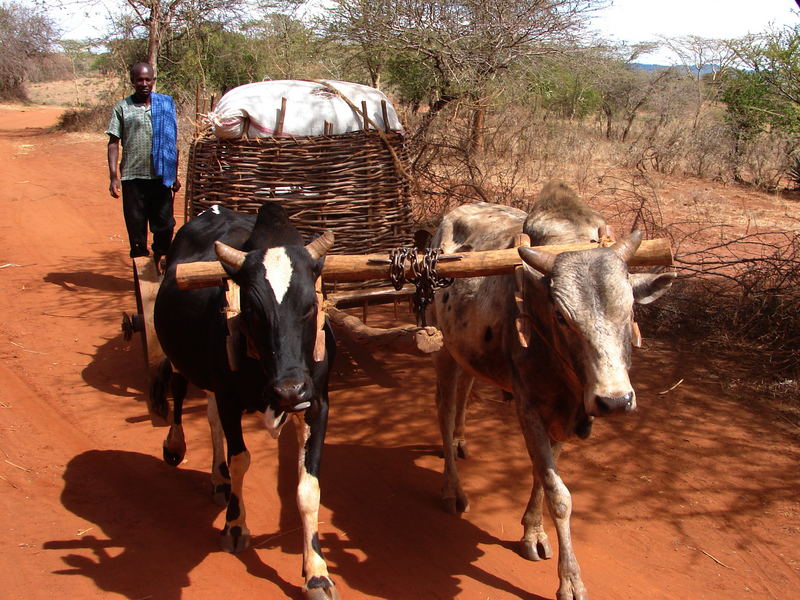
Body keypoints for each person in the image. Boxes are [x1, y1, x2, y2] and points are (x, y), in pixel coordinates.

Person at [107, 62, 180, 269]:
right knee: (137, 228)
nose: (144, 83)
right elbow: (113, 143)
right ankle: (141, 275)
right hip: (133, 177)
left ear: (153, 80)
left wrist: (173, 174)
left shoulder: (165, 104)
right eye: (140, 79)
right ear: (132, 81)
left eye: (148, 79)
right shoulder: (122, 107)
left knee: (165, 226)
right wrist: (113, 176)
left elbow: (170, 140)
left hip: (160, 177)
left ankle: (160, 262)